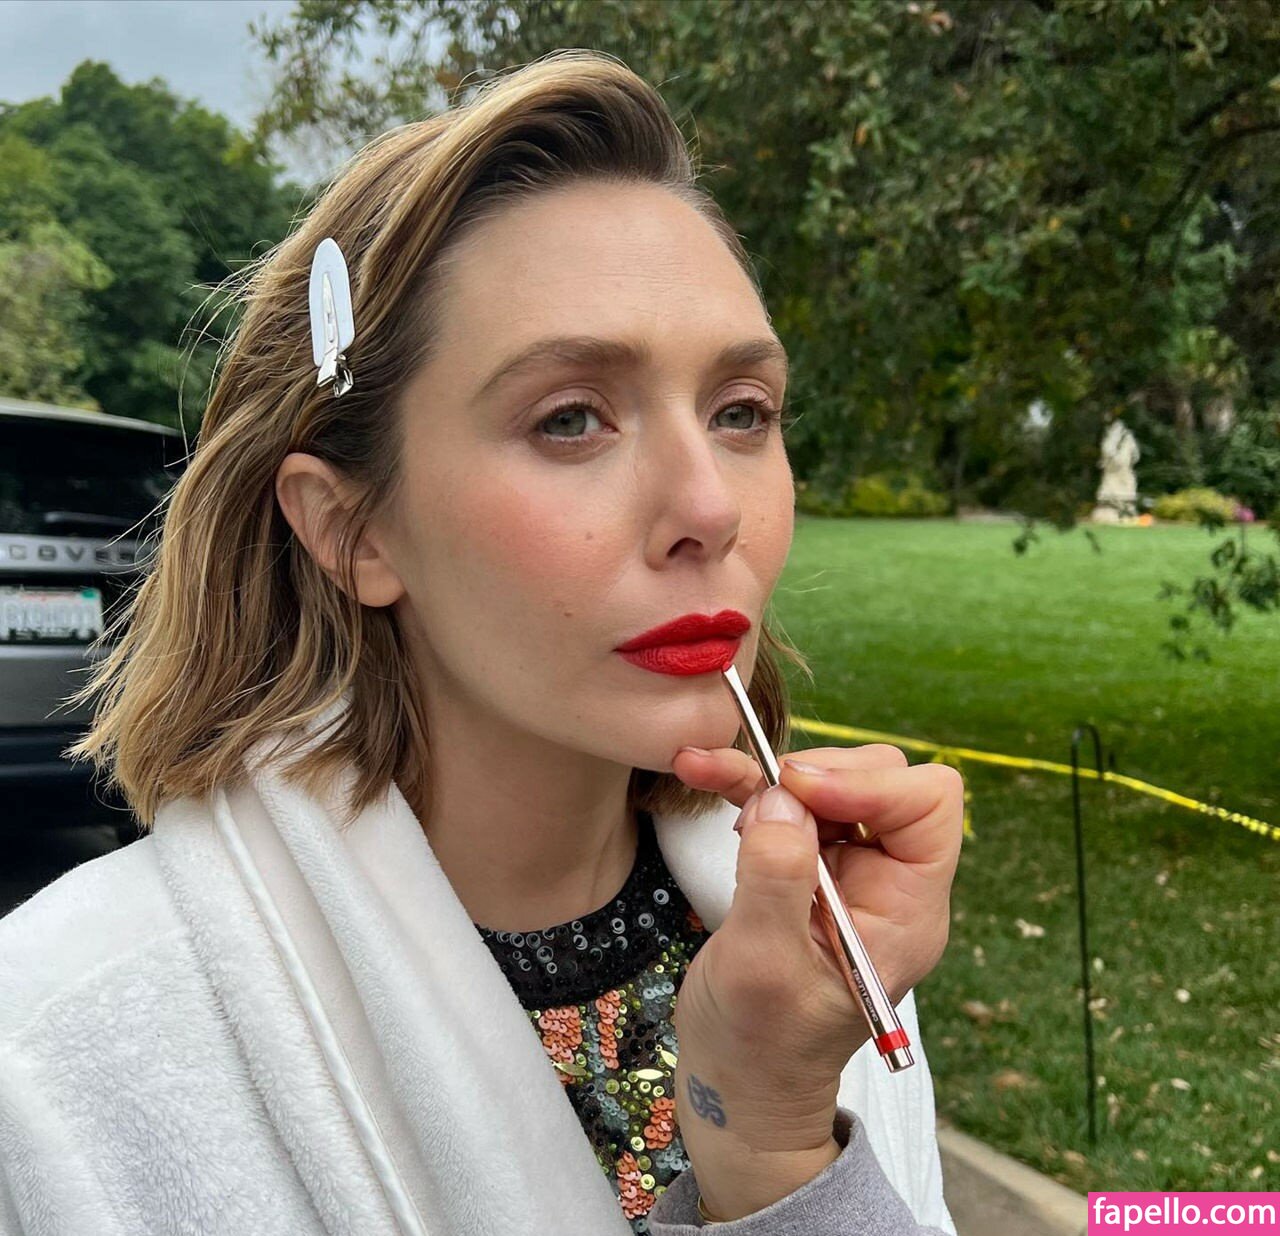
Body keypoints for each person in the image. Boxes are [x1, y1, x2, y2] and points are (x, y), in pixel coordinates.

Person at [0, 50, 963, 1235]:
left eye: (740, 412)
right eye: (570, 419)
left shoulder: (816, 946)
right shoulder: (45, 1061)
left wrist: (771, 1145)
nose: (710, 506)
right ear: (351, 529)